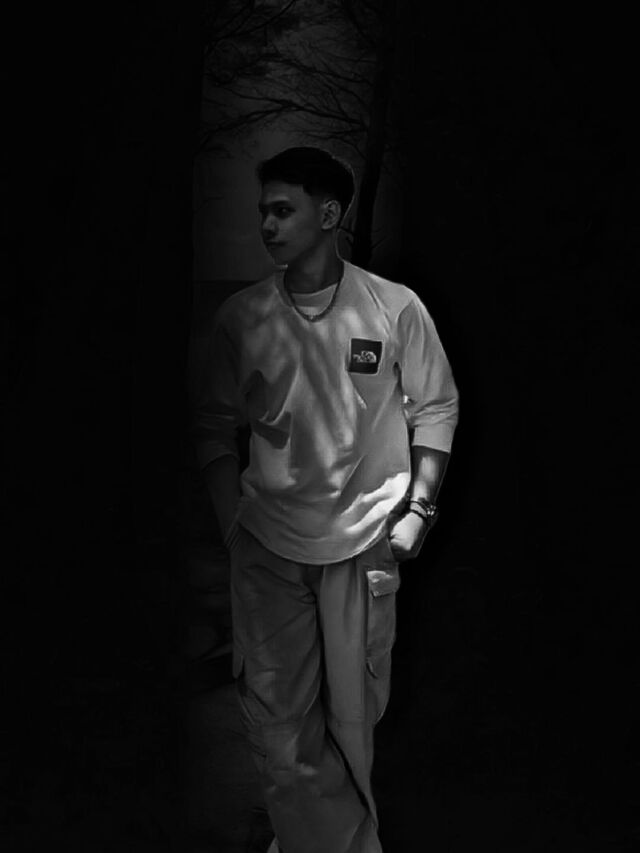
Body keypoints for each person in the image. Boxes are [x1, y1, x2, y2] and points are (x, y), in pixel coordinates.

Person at [192, 146, 459, 853]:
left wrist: (419, 510)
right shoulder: (242, 317)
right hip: (267, 548)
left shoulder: (394, 307)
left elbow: (436, 406)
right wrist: (231, 527)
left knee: (354, 724)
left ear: (330, 214)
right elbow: (212, 424)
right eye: (263, 212)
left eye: (283, 210)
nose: (267, 226)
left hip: (364, 545)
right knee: (280, 733)